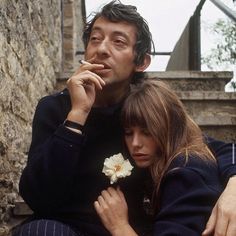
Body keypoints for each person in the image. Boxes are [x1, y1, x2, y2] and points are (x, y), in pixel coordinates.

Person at [12, 1, 236, 236]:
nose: (101, 49)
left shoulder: (144, 111)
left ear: (141, 62)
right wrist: (76, 116)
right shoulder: (54, 108)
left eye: (118, 42)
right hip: (63, 228)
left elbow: (209, 148)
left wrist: (233, 187)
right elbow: (37, 197)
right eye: (95, 39)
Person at [93, 78, 223, 235]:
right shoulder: (162, 163)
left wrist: (119, 226)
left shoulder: (185, 172)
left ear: (170, 128)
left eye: (147, 132)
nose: (135, 143)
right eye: (129, 133)